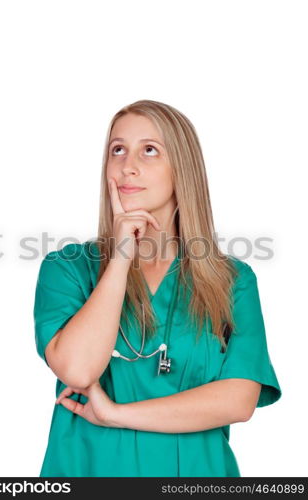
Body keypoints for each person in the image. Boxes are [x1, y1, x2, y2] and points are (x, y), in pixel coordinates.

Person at [33, 99, 282, 477]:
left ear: (182, 168)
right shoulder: (68, 268)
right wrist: (119, 256)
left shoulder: (232, 279)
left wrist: (116, 414)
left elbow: (238, 400)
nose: (127, 165)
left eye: (149, 150)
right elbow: (79, 371)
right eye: (117, 150)